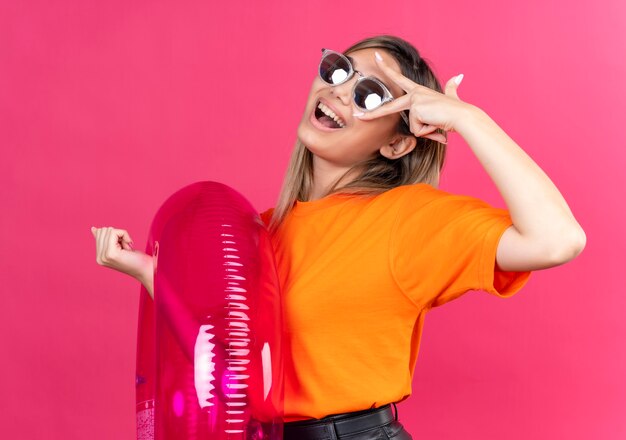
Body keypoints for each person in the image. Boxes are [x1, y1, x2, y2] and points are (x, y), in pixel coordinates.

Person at [91, 35, 586, 439]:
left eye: (370, 95)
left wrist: (467, 118)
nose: (340, 91)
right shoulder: (262, 231)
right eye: (337, 71)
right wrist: (155, 277)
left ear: (396, 141)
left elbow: (557, 239)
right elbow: (231, 373)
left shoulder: (407, 220)